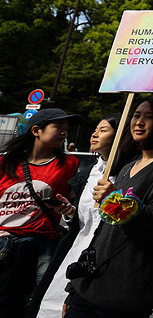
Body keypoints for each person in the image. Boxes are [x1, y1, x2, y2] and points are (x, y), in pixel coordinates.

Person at [65, 96, 153, 317]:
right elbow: (102, 232)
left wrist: (115, 199)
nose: (139, 122)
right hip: (88, 286)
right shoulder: (128, 167)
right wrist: (73, 288)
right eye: (136, 116)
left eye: (148, 117)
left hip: (126, 294)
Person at [31, 114, 123, 318]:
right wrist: (70, 212)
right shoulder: (88, 173)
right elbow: (83, 222)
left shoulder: (129, 173)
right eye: (96, 129)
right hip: (74, 252)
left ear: (120, 137)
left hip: (104, 258)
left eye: (103, 130)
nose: (94, 134)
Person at [0, 108, 79, 317]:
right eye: (58, 127)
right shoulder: (5, 162)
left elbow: (75, 204)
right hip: (5, 243)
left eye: (66, 129)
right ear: (36, 130)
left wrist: (67, 209)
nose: (64, 133)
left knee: (40, 305)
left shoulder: (69, 164)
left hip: (44, 245)